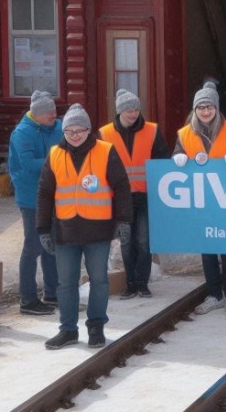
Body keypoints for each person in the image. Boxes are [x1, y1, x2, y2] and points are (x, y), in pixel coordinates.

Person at [36, 104, 133, 349]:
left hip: (98, 230)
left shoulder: (106, 151)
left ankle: (96, 326)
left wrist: (123, 220)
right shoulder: (55, 154)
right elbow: (45, 194)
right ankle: (68, 329)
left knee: (99, 280)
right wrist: (43, 228)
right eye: (69, 130)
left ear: (89, 130)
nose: (75, 135)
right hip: (66, 231)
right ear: (64, 131)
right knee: (66, 283)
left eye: (79, 130)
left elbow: (121, 186)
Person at [174, 82, 226, 315]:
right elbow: (177, 157)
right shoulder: (184, 133)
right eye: (201, 107)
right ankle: (214, 295)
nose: (205, 111)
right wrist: (177, 157)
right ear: (195, 110)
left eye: (209, 107)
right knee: (207, 250)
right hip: (202, 202)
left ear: (216, 108)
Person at [98, 90, 170, 299]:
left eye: (136, 109)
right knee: (127, 242)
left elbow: (162, 161)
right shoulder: (104, 134)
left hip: (146, 197)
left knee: (144, 241)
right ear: (120, 111)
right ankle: (131, 284)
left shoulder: (152, 131)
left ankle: (142, 283)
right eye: (129, 110)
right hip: (120, 200)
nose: (133, 114)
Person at [8, 91, 63, 315]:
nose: (54, 114)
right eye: (49, 112)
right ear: (37, 114)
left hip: (54, 195)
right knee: (33, 246)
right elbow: (29, 163)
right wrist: (60, 160)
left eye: (54, 110)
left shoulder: (57, 127)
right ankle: (27, 299)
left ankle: (52, 293)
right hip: (31, 197)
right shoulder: (22, 133)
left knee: (52, 245)